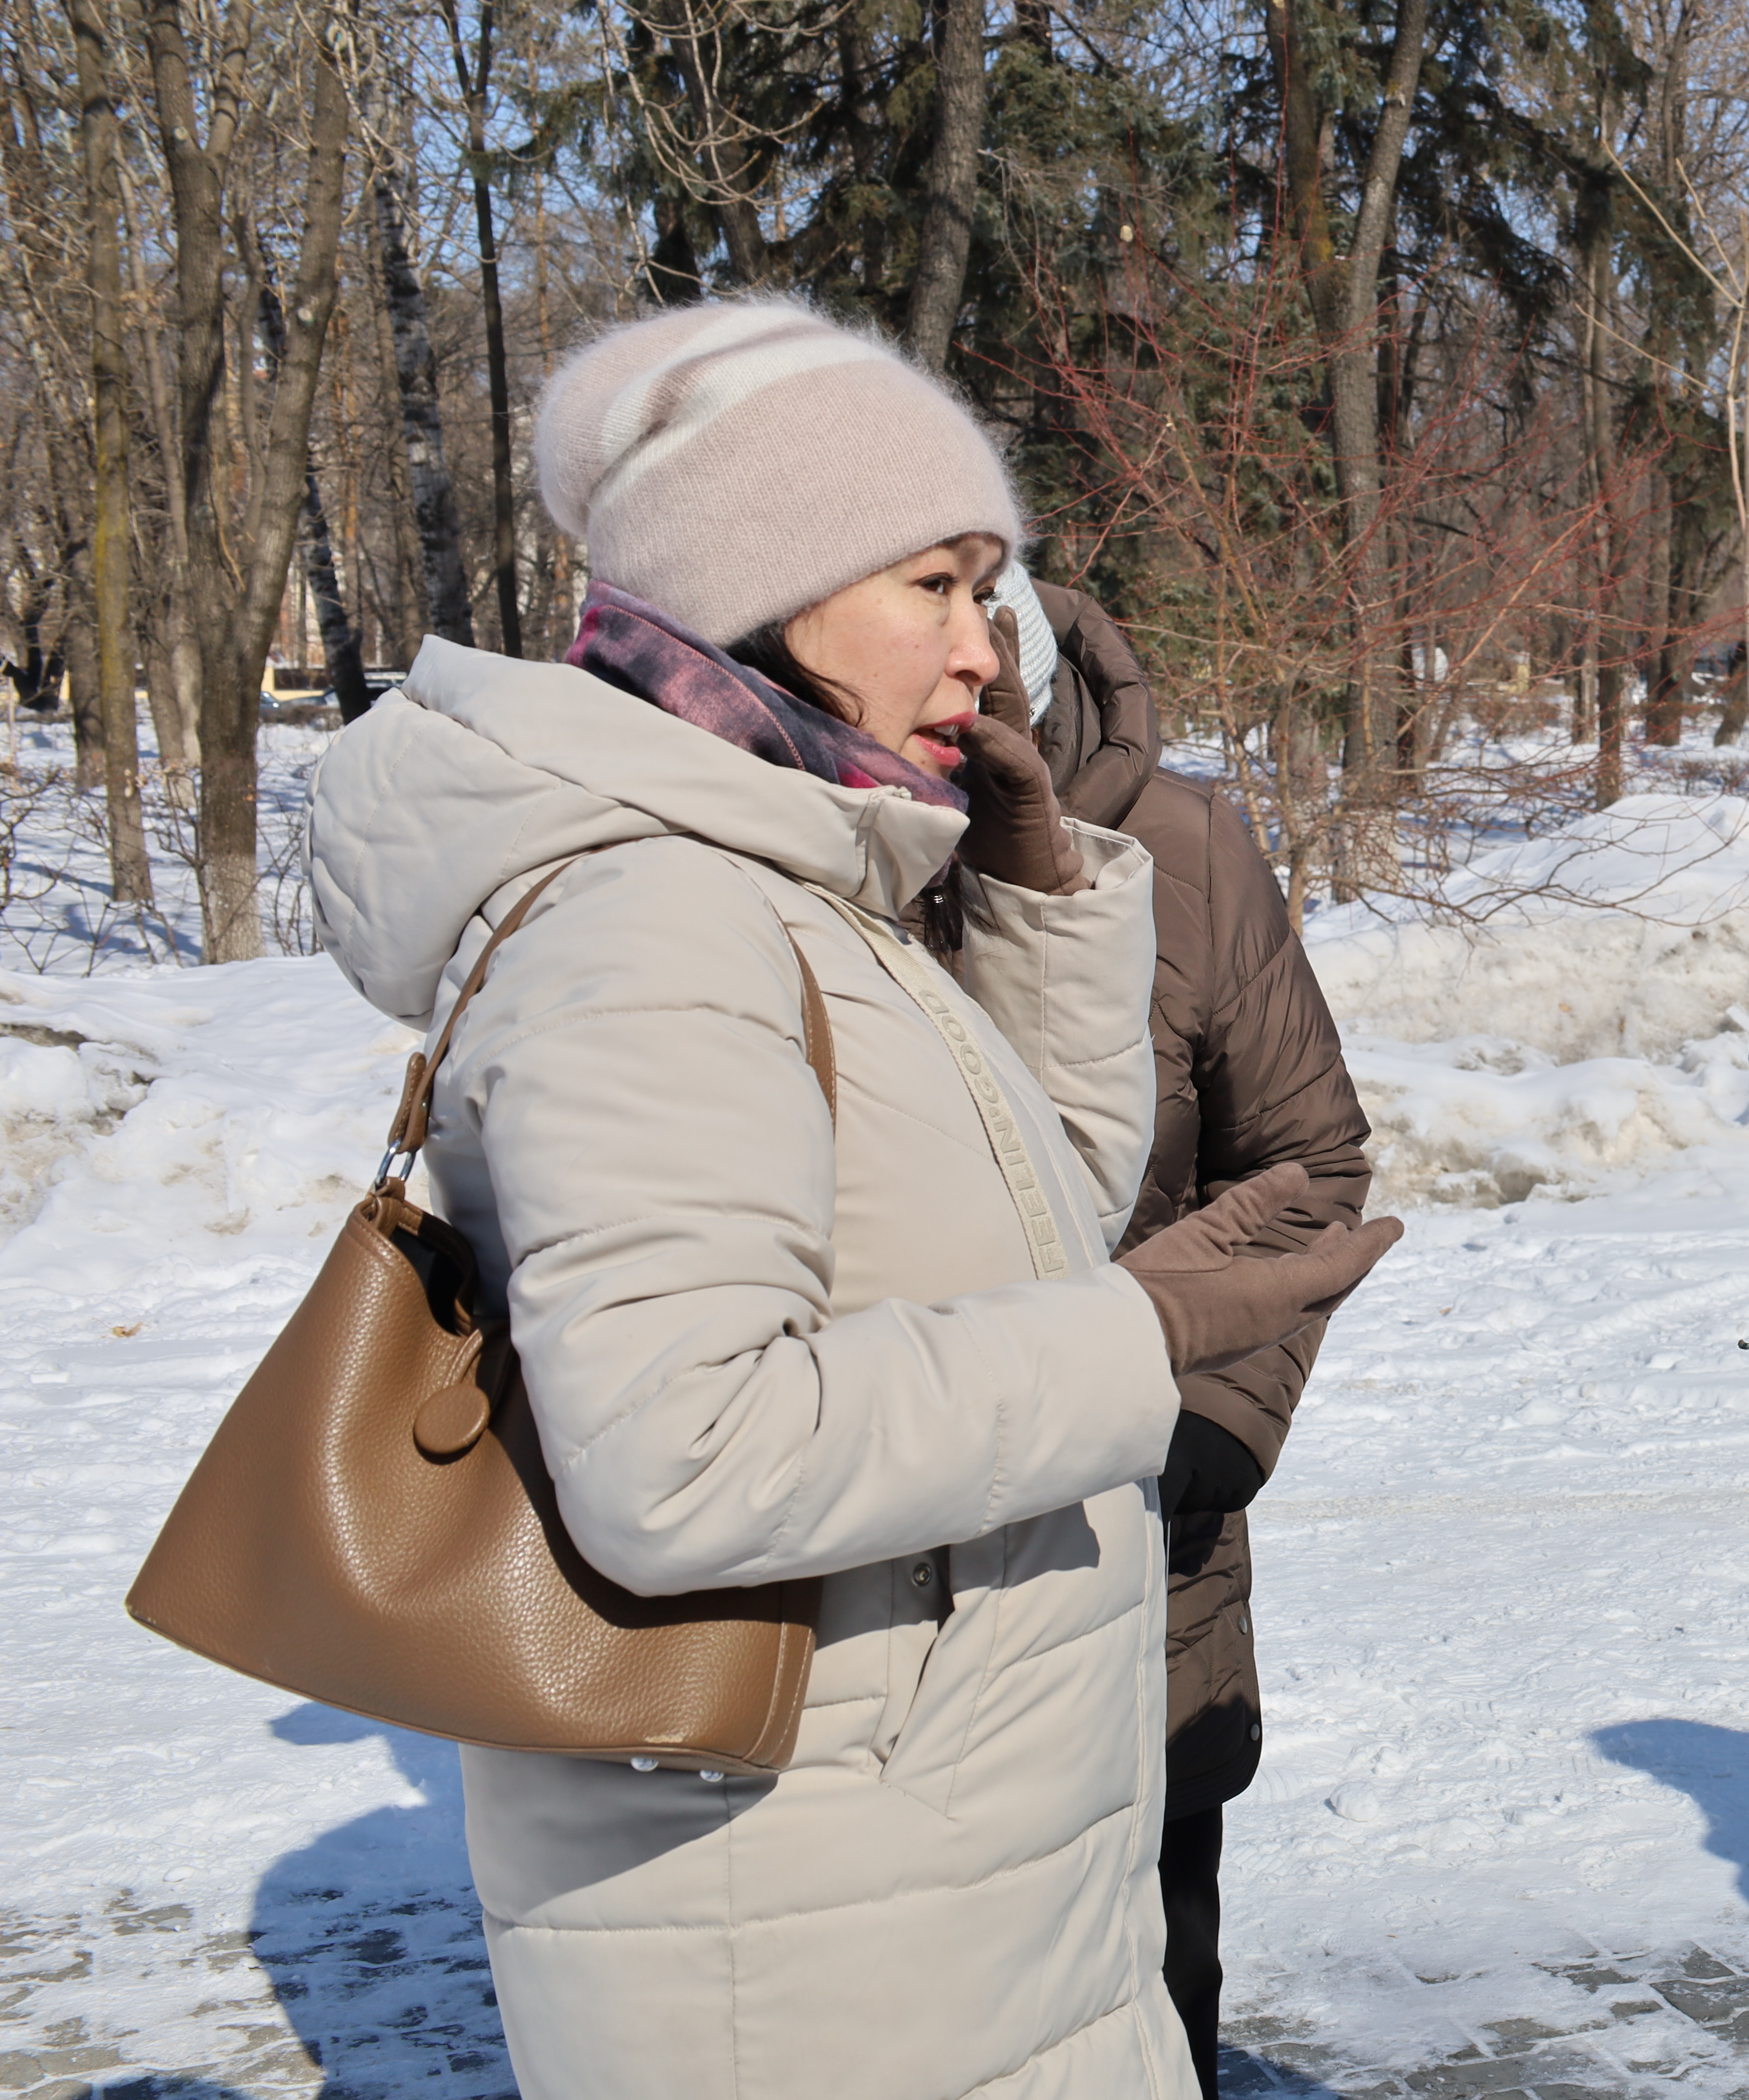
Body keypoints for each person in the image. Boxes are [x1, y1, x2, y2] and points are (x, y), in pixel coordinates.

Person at [304, 298, 1398, 2100]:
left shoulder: (789, 875)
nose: (989, 645)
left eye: (991, 589)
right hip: (814, 1920)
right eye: (938, 587)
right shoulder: (655, 922)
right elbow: (685, 1456)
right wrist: (1137, 1335)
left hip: (931, 1863)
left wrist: (1038, 909)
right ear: (763, 590)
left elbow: (1011, 1232)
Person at [992, 563, 1374, 2100]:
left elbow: (1306, 1163)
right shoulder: (766, 845)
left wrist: (1206, 1419)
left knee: (1146, 1994)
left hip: (1141, 1532)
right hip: (847, 1581)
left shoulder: (1182, 844)